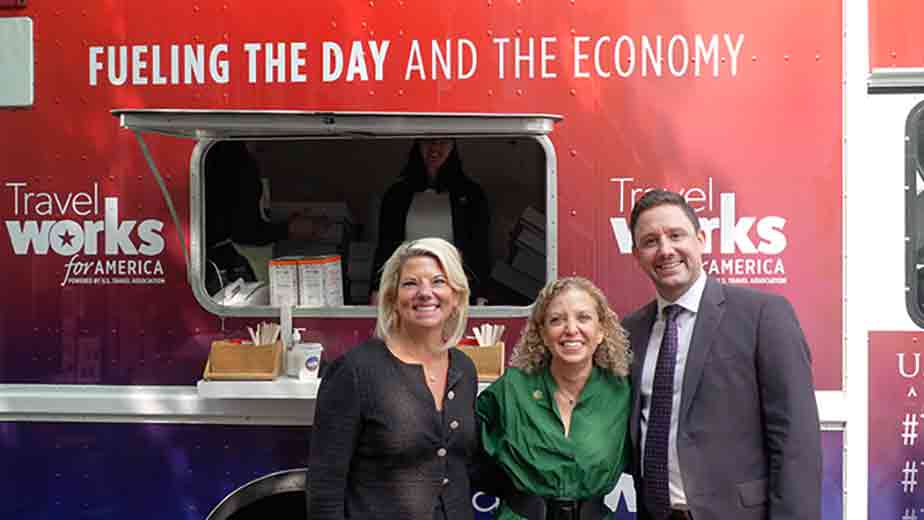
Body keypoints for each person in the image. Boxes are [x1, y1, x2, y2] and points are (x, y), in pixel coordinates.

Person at [622, 189, 822, 520]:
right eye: (650, 241)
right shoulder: (631, 331)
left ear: (700, 239)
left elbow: (795, 441)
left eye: (676, 235)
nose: (666, 250)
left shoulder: (762, 315)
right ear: (637, 255)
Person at [307, 237, 478, 519]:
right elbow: (325, 485)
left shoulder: (464, 369)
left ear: (457, 296)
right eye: (411, 283)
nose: (425, 293)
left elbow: (461, 463)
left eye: (438, 281)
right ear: (392, 299)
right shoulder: (355, 371)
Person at [476, 276, 632, 519]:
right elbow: (463, 447)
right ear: (543, 333)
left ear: (601, 330)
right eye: (556, 320)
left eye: (583, 317)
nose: (571, 329)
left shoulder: (622, 393)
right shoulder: (512, 388)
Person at [371, 139, 491, 303]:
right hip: (406, 289)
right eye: (428, 140)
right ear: (418, 144)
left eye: (443, 141)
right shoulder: (396, 194)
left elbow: (480, 250)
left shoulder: (472, 194)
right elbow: (385, 247)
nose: (435, 147)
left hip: (455, 291)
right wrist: (377, 289)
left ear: (453, 145)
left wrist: (481, 294)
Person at [204, 141, 326, 292]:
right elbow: (244, 231)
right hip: (225, 265)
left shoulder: (222, 152)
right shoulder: (239, 162)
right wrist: (289, 229)